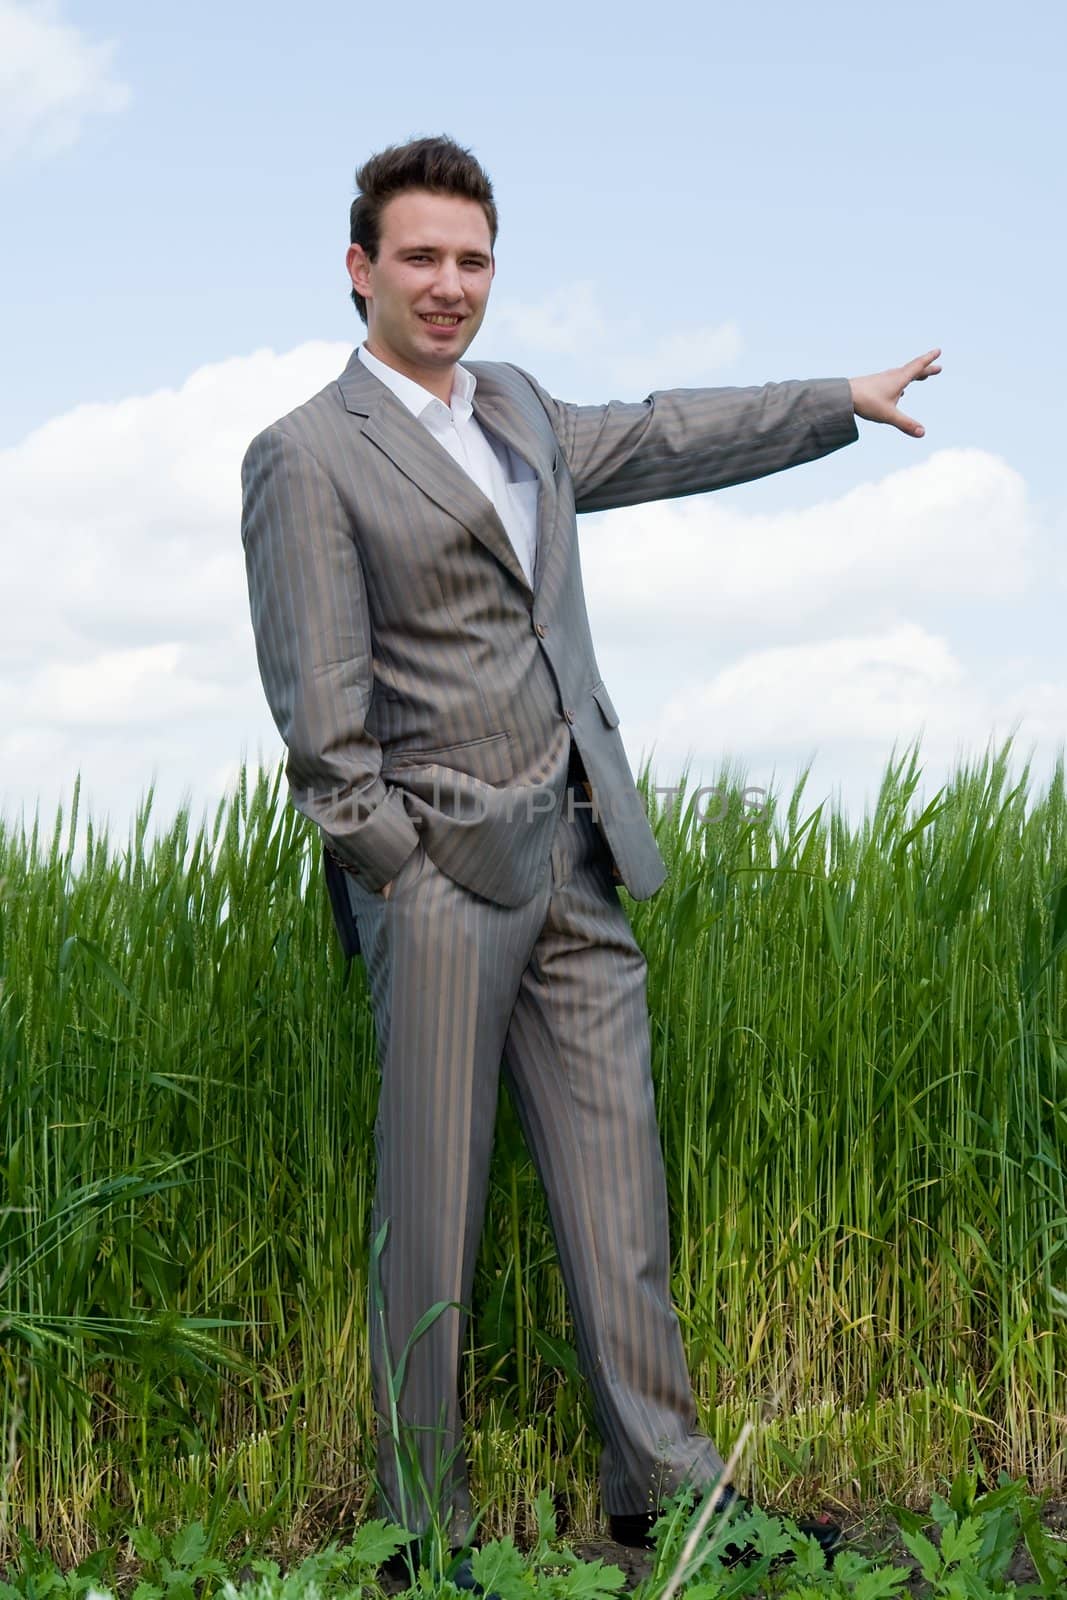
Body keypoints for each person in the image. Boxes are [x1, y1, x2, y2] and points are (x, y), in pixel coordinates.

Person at [240, 134, 940, 1572]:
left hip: (582, 854)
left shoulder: (520, 414)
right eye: (421, 258)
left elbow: (671, 431)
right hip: (438, 878)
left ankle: (665, 1494)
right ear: (359, 269)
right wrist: (398, 866)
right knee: (429, 1222)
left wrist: (839, 404)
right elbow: (321, 712)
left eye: (474, 260)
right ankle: (420, 1533)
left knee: (623, 1204)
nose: (450, 287)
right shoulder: (305, 454)